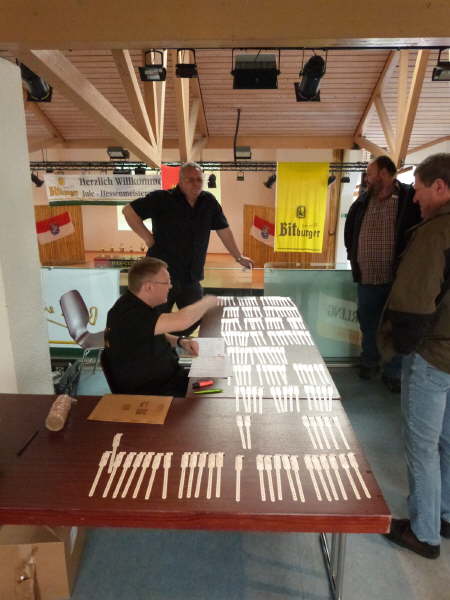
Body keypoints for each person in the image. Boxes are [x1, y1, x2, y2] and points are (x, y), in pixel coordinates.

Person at [378, 153, 450, 559]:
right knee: (447, 442)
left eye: (420, 190)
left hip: (432, 354)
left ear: (439, 187)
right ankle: (444, 515)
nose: (416, 198)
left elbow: (414, 303)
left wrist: (399, 347)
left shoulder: (435, 232)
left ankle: (424, 534)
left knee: (422, 446)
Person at [123, 162, 253, 334]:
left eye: (199, 179)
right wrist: (148, 238)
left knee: (195, 318)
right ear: (180, 180)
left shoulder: (209, 202)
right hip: (161, 276)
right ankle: (161, 344)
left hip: (191, 277)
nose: (195, 183)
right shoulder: (162, 198)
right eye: (190, 180)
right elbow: (128, 211)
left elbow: (224, 230)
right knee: (154, 318)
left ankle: (171, 340)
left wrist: (238, 256)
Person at [344, 155, 421, 392]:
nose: (367, 178)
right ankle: (369, 362)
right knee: (368, 324)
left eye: (370, 173)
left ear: (385, 173)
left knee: (395, 327)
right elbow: (350, 231)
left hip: (397, 280)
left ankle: (393, 373)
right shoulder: (362, 201)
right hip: (367, 277)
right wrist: (352, 255)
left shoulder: (409, 199)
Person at [103, 257, 218, 397]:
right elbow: (183, 320)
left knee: (216, 374)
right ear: (148, 287)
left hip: (168, 377)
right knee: (217, 392)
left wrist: (181, 342)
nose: (170, 286)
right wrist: (208, 301)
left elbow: (153, 333)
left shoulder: (137, 303)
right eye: (167, 282)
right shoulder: (130, 314)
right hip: (153, 391)